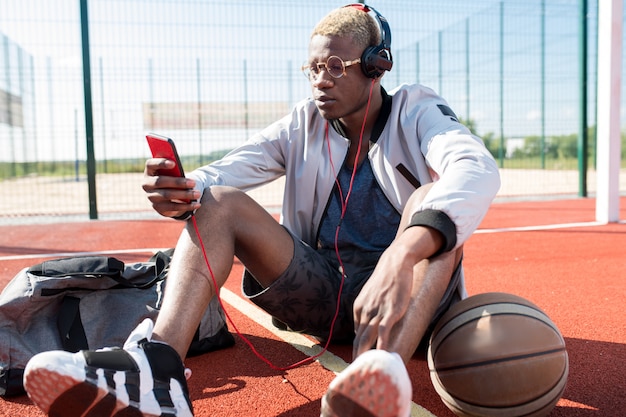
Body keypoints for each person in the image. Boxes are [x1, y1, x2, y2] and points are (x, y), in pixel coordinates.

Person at [23, 4, 500, 417]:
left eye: (335, 65)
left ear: (375, 66)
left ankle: (384, 378)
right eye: (313, 68)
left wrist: (402, 255)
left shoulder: (416, 111)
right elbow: (229, 171)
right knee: (220, 204)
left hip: (410, 305)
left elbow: (474, 168)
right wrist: (185, 189)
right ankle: (158, 371)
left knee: (428, 205)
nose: (321, 80)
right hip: (331, 301)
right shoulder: (305, 122)